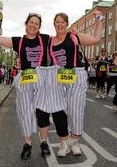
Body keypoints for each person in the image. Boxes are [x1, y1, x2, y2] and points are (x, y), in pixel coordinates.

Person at [0, 11, 50, 160]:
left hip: (41, 79)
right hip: (25, 79)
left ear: (39, 27)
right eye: (31, 22)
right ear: (26, 24)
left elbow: (63, 39)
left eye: (36, 23)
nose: (33, 25)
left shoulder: (45, 39)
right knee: (25, 112)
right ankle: (27, 144)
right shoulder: (19, 41)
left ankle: (44, 143)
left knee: (43, 113)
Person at [48, 11, 103, 156]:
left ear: (66, 24)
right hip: (58, 78)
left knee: (76, 110)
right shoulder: (50, 41)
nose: (59, 24)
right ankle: (63, 143)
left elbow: (96, 38)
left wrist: (99, 19)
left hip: (76, 75)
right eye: (57, 22)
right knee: (59, 111)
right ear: (54, 24)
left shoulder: (74, 37)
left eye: (62, 22)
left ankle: (75, 141)